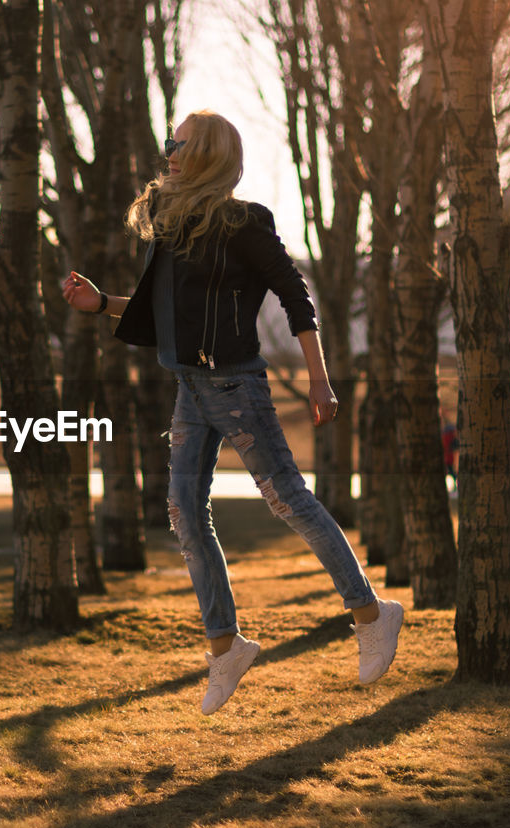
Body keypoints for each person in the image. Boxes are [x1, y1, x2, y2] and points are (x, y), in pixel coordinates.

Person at [61, 109, 402, 715]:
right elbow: (153, 312)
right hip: (189, 386)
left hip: (236, 386)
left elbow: (297, 297)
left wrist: (320, 381)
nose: (169, 150)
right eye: (169, 141)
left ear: (210, 153)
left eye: (181, 144)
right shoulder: (171, 222)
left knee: (289, 500)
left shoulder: (244, 223)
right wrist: (99, 305)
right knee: (185, 514)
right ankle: (226, 645)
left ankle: (373, 615)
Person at [441, 415, 458, 490]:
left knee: (450, 472)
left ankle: (455, 486)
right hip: (449, 458)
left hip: (447, 458)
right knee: (451, 472)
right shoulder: (449, 436)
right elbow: (454, 446)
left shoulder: (444, 436)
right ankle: (455, 486)